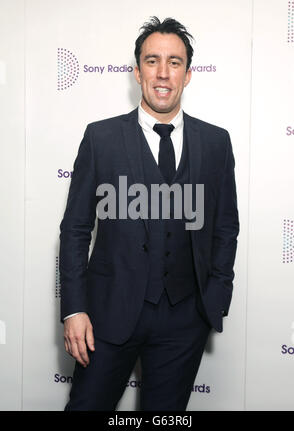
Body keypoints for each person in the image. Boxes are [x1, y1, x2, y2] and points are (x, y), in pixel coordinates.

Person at [59, 16, 239, 411]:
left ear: (188, 74)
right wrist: (74, 308)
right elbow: (74, 229)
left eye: (174, 62)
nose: (163, 73)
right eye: (152, 60)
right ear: (137, 71)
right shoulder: (100, 138)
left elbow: (226, 227)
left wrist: (216, 295)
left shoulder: (216, 143)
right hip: (106, 317)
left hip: (184, 319)